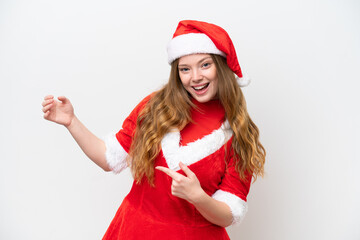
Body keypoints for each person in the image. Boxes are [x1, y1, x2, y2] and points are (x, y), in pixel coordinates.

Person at [41, 20, 266, 240]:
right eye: (185, 69)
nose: (195, 77)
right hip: (134, 230)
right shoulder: (156, 107)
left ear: (222, 67)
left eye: (205, 64)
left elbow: (230, 212)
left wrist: (198, 197)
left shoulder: (238, 132)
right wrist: (71, 121)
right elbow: (108, 158)